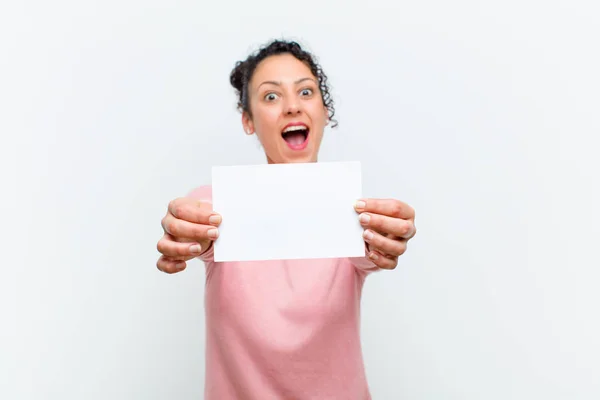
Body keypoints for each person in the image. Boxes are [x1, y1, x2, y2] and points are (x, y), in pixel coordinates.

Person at [156, 39, 417, 399]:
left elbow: (370, 250)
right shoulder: (220, 205)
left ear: (325, 111)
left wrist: (385, 242)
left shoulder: (354, 215)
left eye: (306, 92)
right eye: (271, 96)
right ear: (248, 120)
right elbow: (196, 215)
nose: (292, 106)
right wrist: (183, 229)